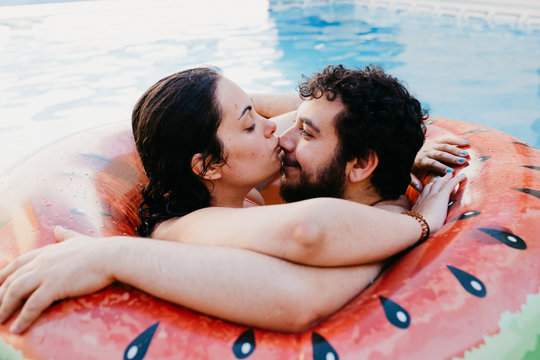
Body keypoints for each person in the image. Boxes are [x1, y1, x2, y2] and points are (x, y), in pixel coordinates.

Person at [0, 65, 468, 333]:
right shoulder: (186, 228)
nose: (278, 131)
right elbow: (307, 244)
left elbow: (326, 116)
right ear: (208, 164)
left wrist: (397, 151)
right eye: (250, 123)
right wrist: (414, 222)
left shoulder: (242, 195)